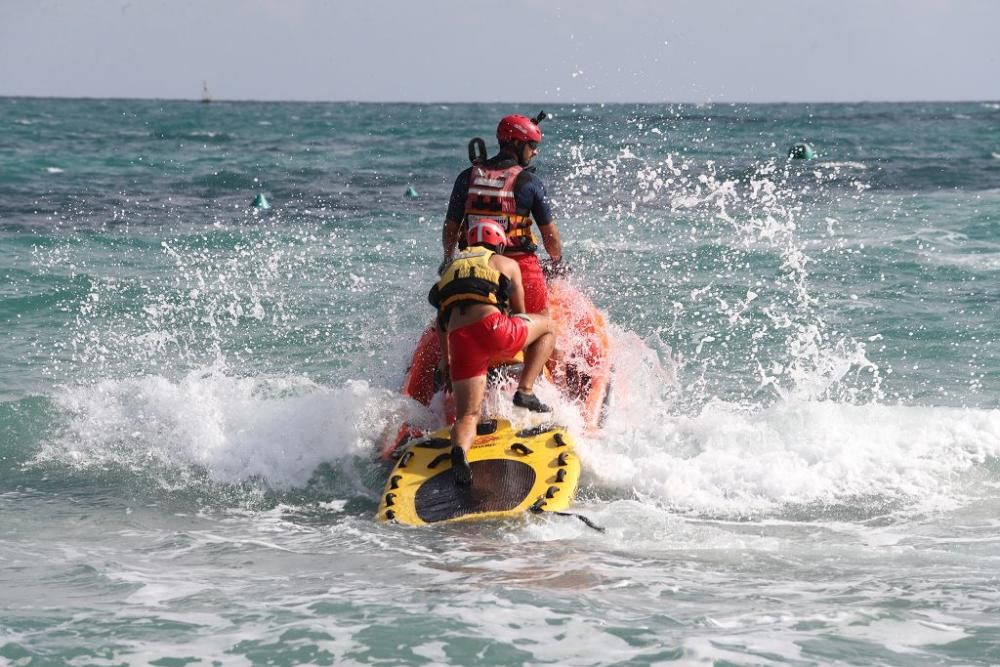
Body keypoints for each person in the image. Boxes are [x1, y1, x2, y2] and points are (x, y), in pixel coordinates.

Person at [429, 219, 556, 486]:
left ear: (467, 242)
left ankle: (460, 451)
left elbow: (441, 324)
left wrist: (445, 361)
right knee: (547, 328)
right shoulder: (507, 264)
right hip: (494, 329)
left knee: (468, 415)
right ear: (499, 244)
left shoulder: (450, 270)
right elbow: (520, 312)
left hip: (459, 340)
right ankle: (525, 391)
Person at [440, 114, 564, 316]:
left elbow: (451, 228)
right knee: (544, 323)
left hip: (474, 264)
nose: (535, 151)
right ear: (515, 142)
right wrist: (556, 262)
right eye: (532, 144)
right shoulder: (530, 182)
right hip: (521, 266)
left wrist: (448, 259)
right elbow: (550, 236)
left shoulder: (466, 177)